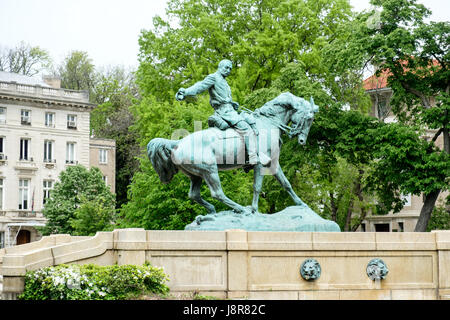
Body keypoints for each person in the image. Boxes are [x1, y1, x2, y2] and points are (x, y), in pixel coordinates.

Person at [176, 59, 270, 166]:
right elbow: (200, 86)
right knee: (246, 128)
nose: (228, 70)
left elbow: (223, 98)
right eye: (226, 67)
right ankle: (253, 157)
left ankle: (246, 158)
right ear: (220, 67)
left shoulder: (224, 82)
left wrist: (232, 103)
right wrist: (186, 92)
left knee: (251, 121)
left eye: (230, 68)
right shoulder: (213, 77)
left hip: (230, 110)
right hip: (224, 112)